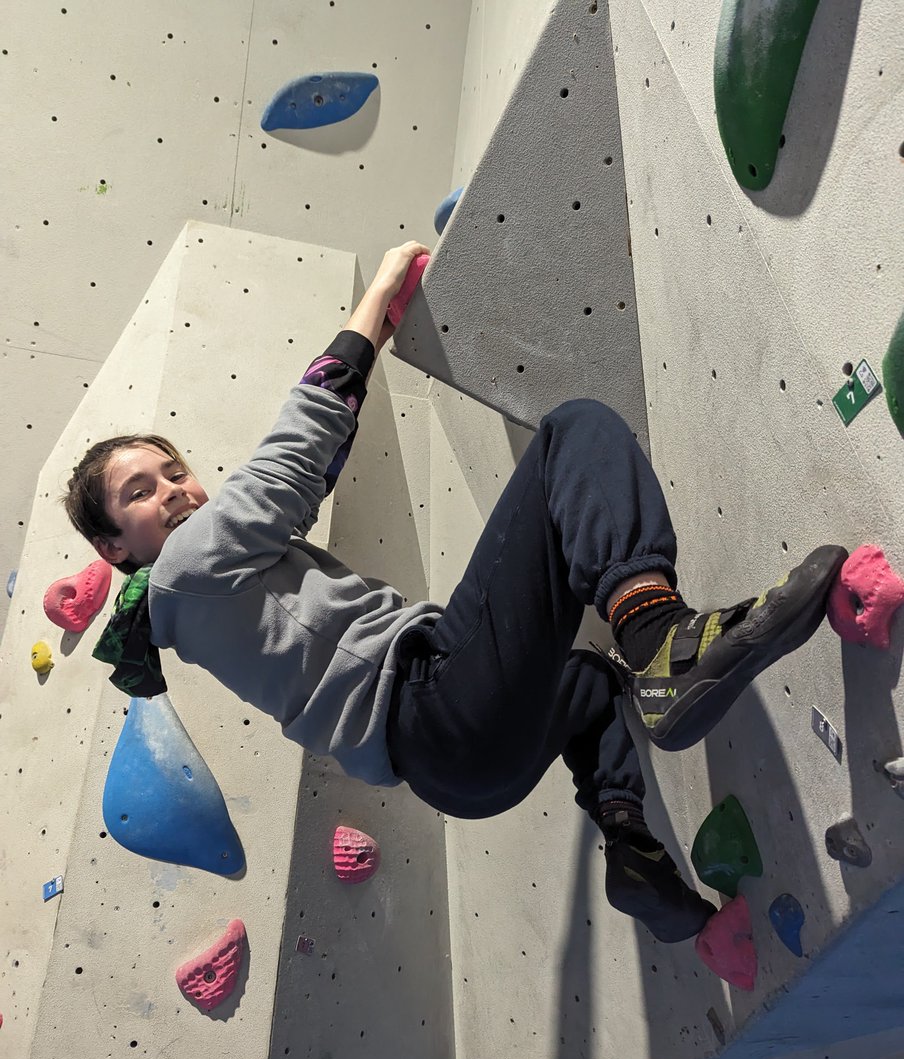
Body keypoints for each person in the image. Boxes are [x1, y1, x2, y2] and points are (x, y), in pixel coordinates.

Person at [63, 241, 847, 944]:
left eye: (174, 471)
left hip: (459, 779)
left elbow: (297, 482)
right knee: (574, 430)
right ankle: (661, 638)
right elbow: (297, 456)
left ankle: (630, 842)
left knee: (593, 684)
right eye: (140, 492)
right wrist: (376, 306)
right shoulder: (183, 566)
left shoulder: (193, 614)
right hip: (431, 700)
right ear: (113, 547)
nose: (172, 490)